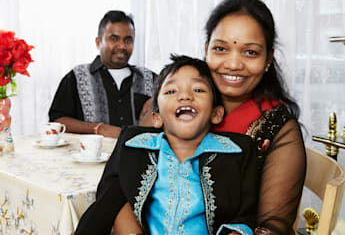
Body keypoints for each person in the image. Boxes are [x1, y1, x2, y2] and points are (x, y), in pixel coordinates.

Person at [130, 0, 306, 235]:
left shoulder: (278, 127)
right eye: (221, 49)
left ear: (268, 59)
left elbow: (272, 225)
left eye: (251, 52)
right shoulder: (177, 105)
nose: (233, 64)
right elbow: (127, 180)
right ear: (206, 50)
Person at [74, 55, 260, 235]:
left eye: (198, 90)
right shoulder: (133, 144)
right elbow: (109, 199)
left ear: (216, 114)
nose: (185, 96)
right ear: (157, 117)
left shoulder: (238, 152)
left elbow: (245, 216)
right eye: (171, 91)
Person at [48, 11, 157, 138]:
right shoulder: (77, 77)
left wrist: (158, 100)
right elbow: (57, 121)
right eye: (114, 39)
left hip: (136, 156)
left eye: (128, 40)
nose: (122, 46)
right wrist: (98, 128)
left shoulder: (150, 78)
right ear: (98, 42)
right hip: (91, 156)